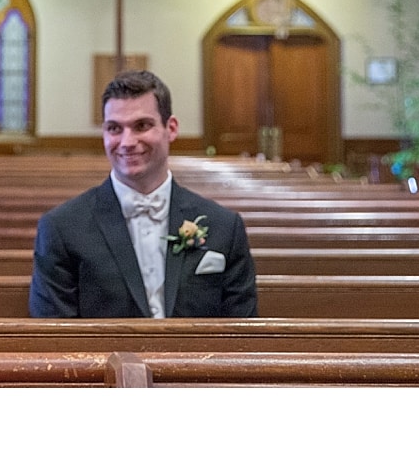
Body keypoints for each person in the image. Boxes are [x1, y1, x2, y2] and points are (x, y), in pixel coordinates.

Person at [29, 70, 258, 318]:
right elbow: (56, 338)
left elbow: (241, 333)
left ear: (171, 128)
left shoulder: (224, 227)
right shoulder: (62, 228)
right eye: (114, 128)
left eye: (142, 126)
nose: (127, 141)